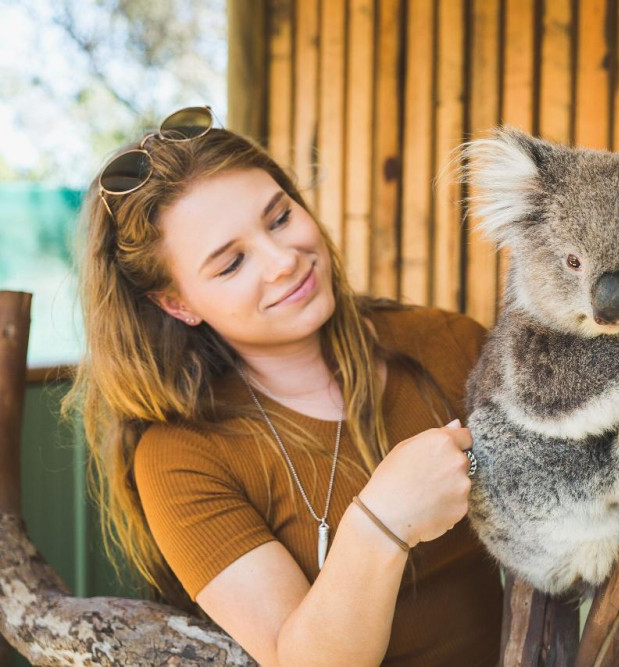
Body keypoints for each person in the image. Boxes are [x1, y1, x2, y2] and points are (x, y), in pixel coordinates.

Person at [63, 106, 503, 666]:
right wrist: (384, 524)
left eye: (279, 218)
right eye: (230, 264)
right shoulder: (182, 457)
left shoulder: (448, 344)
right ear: (176, 303)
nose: (283, 261)